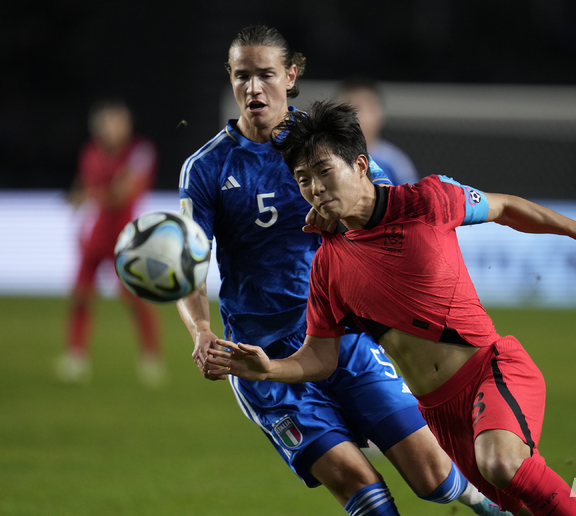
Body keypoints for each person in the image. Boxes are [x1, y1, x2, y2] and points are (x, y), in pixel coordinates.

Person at [208, 101, 576, 516]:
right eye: (303, 179)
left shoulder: (429, 201)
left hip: (490, 371)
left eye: (325, 171)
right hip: (439, 413)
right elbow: (319, 356)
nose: (315, 187)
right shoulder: (328, 265)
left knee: (502, 463)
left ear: (361, 165)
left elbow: (505, 208)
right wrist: (269, 369)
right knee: (516, 507)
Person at [177, 25, 512, 516]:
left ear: (290, 76)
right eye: (242, 75)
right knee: (361, 485)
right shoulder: (205, 169)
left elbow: (379, 215)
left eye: (265, 74)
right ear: (229, 79)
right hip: (263, 358)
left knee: (431, 473)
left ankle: (492, 506)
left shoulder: (323, 145)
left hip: (343, 337)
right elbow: (189, 262)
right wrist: (201, 330)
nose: (254, 88)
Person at [57, 99, 164, 387]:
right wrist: (80, 196)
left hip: (125, 238)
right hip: (95, 234)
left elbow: (123, 194)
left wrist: (88, 195)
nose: (107, 129)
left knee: (135, 298)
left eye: (114, 122)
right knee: (80, 294)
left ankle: (150, 357)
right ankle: (75, 356)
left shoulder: (140, 151)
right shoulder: (91, 151)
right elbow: (85, 184)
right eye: (104, 123)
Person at [336, 76, 420, 186]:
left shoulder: (395, 163)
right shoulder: (326, 158)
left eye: (366, 107)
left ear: (379, 113)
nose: (358, 116)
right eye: (350, 107)